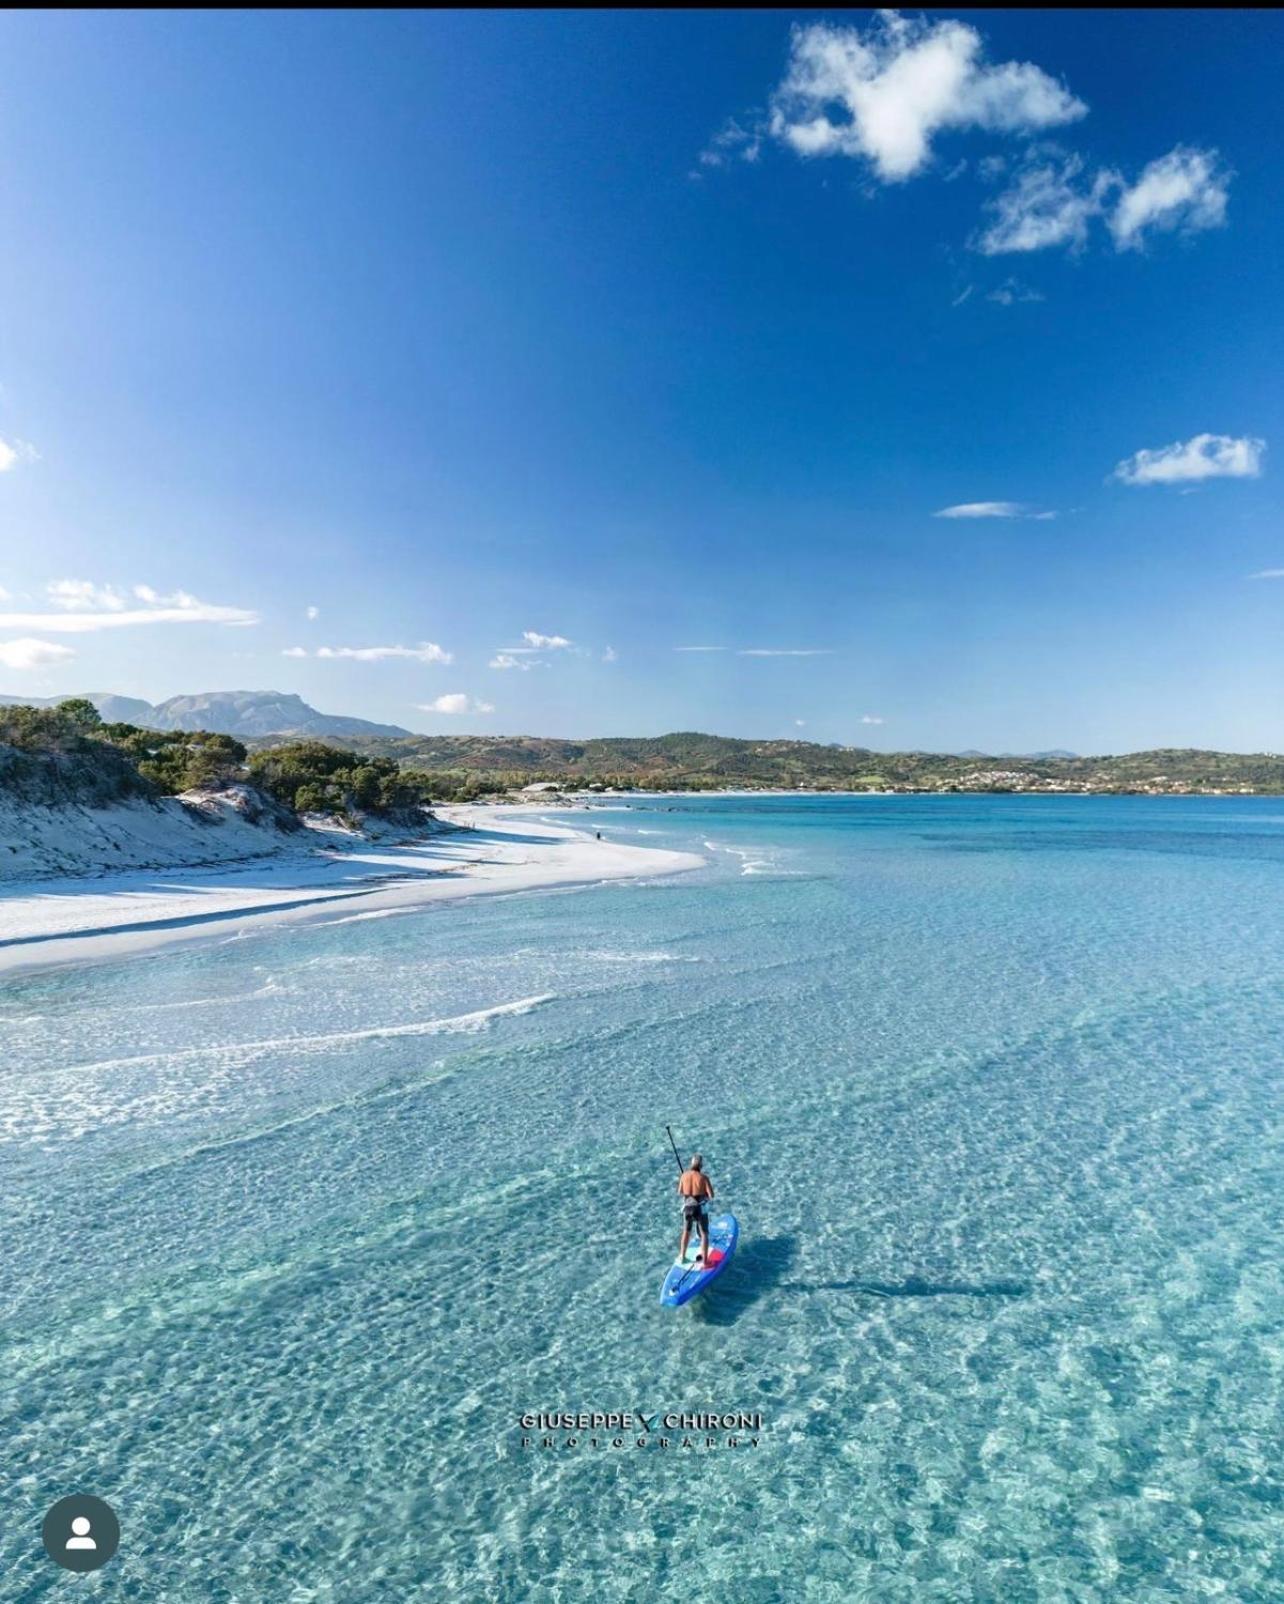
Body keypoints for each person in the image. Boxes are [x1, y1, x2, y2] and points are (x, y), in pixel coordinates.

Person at [677, 1153, 714, 1267]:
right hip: (699, 1209)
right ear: (701, 1165)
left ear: (691, 1164)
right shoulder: (703, 1178)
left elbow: (680, 1192)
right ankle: (705, 1262)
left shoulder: (684, 1176)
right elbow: (711, 1195)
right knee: (704, 1234)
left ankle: (682, 1257)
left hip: (687, 1208)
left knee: (686, 1231)